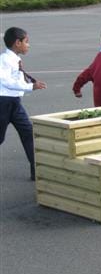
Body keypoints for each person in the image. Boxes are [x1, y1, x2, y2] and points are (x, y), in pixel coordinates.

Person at [1, 27, 47, 181]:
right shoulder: (5, 60)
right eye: (26, 42)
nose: (28, 45)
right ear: (17, 43)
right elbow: (5, 81)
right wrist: (30, 86)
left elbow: (17, 80)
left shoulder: (15, 59)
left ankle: (37, 172)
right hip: (3, 103)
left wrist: (30, 84)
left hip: (14, 102)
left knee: (28, 133)